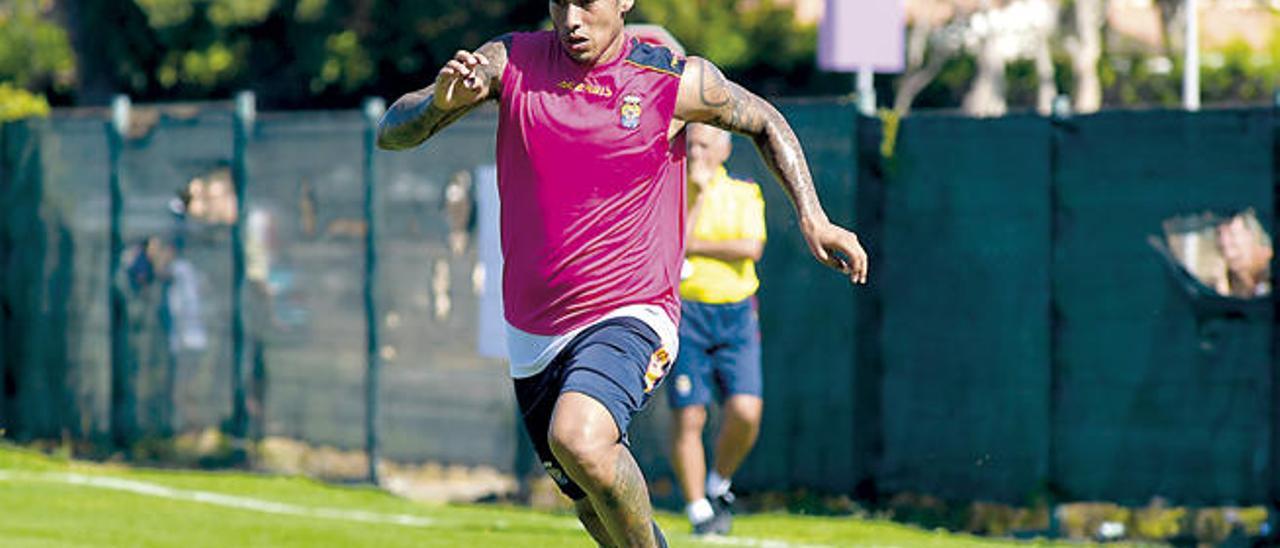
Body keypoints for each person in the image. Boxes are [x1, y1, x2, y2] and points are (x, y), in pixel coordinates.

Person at [377, 1, 868, 546]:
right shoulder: (510, 61)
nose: (571, 20)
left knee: (580, 438)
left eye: (587, 2)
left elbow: (764, 120)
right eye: (559, 2)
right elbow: (392, 131)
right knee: (594, 507)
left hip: (631, 308)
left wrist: (814, 218)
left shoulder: (670, 79)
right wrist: (437, 105)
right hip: (533, 331)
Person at [668, 123, 765, 536]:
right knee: (690, 415)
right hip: (687, 314)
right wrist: (697, 195)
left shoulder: (744, 192)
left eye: (705, 146)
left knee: (745, 410)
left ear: (724, 150)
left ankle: (718, 481)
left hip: (736, 314)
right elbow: (672, 241)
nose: (696, 154)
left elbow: (750, 247)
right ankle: (698, 509)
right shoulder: (672, 192)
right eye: (691, 146)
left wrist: (696, 245)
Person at [1216, 209, 1272, 298]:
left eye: (1232, 235)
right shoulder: (1229, 278)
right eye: (1219, 234)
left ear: (1252, 235)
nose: (1229, 254)